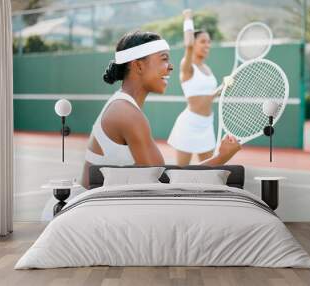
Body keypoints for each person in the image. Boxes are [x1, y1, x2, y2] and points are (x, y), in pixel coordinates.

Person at [81, 30, 241, 188]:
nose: (170, 67)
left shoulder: (124, 106)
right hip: (94, 209)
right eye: (164, 59)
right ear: (138, 65)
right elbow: (164, 185)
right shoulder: (126, 113)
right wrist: (222, 156)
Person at [167, 9, 223, 166]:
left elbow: (208, 97)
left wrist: (223, 88)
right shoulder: (187, 66)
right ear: (195, 43)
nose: (207, 45)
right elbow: (188, 44)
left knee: (208, 174)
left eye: (209, 42)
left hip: (207, 125)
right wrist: (188, 19)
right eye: (203, 41)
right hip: (189, 125)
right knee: (180, 173)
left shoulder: (207, 69)